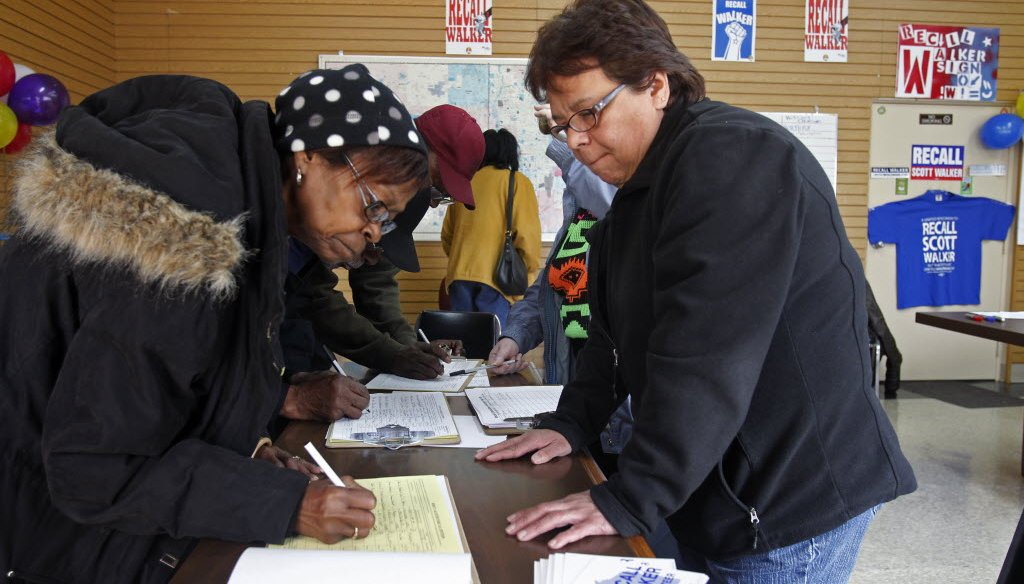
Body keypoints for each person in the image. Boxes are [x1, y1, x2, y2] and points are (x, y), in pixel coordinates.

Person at [476, 1, 917, 582]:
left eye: (588, 113)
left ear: (655, 84)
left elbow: (708, 352)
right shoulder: (635, 192)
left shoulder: (732, 157)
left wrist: (632, 497)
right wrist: (569, 424)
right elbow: (611, 339)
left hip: (787, 497)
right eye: (560, 125)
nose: (577, 140)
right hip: (716, 487)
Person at [0, 65, 430, 582]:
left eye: (384, 221)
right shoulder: (183, 245)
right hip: (48, 522)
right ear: (308, 157)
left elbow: (165, 391)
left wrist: (247, 450)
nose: (373, 233)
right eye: (374, 205)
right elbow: (95, 468)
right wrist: (285, 502)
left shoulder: (243, 218)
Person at [282, 105, 485, 382]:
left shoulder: (403, 197)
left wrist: (405, 346)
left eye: (441, 196)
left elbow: (375, 280)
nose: (431, 200)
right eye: (436, 186)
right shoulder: (288, 212)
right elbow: (314, 295)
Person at [441, 128, 541, 327]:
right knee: (494, 347)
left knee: (463, 345)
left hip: (459, 276)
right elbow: (527, 236)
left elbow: (447, 236)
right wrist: (529, 270)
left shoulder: (465, 183)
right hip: (498, 280)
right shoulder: (516, 182)